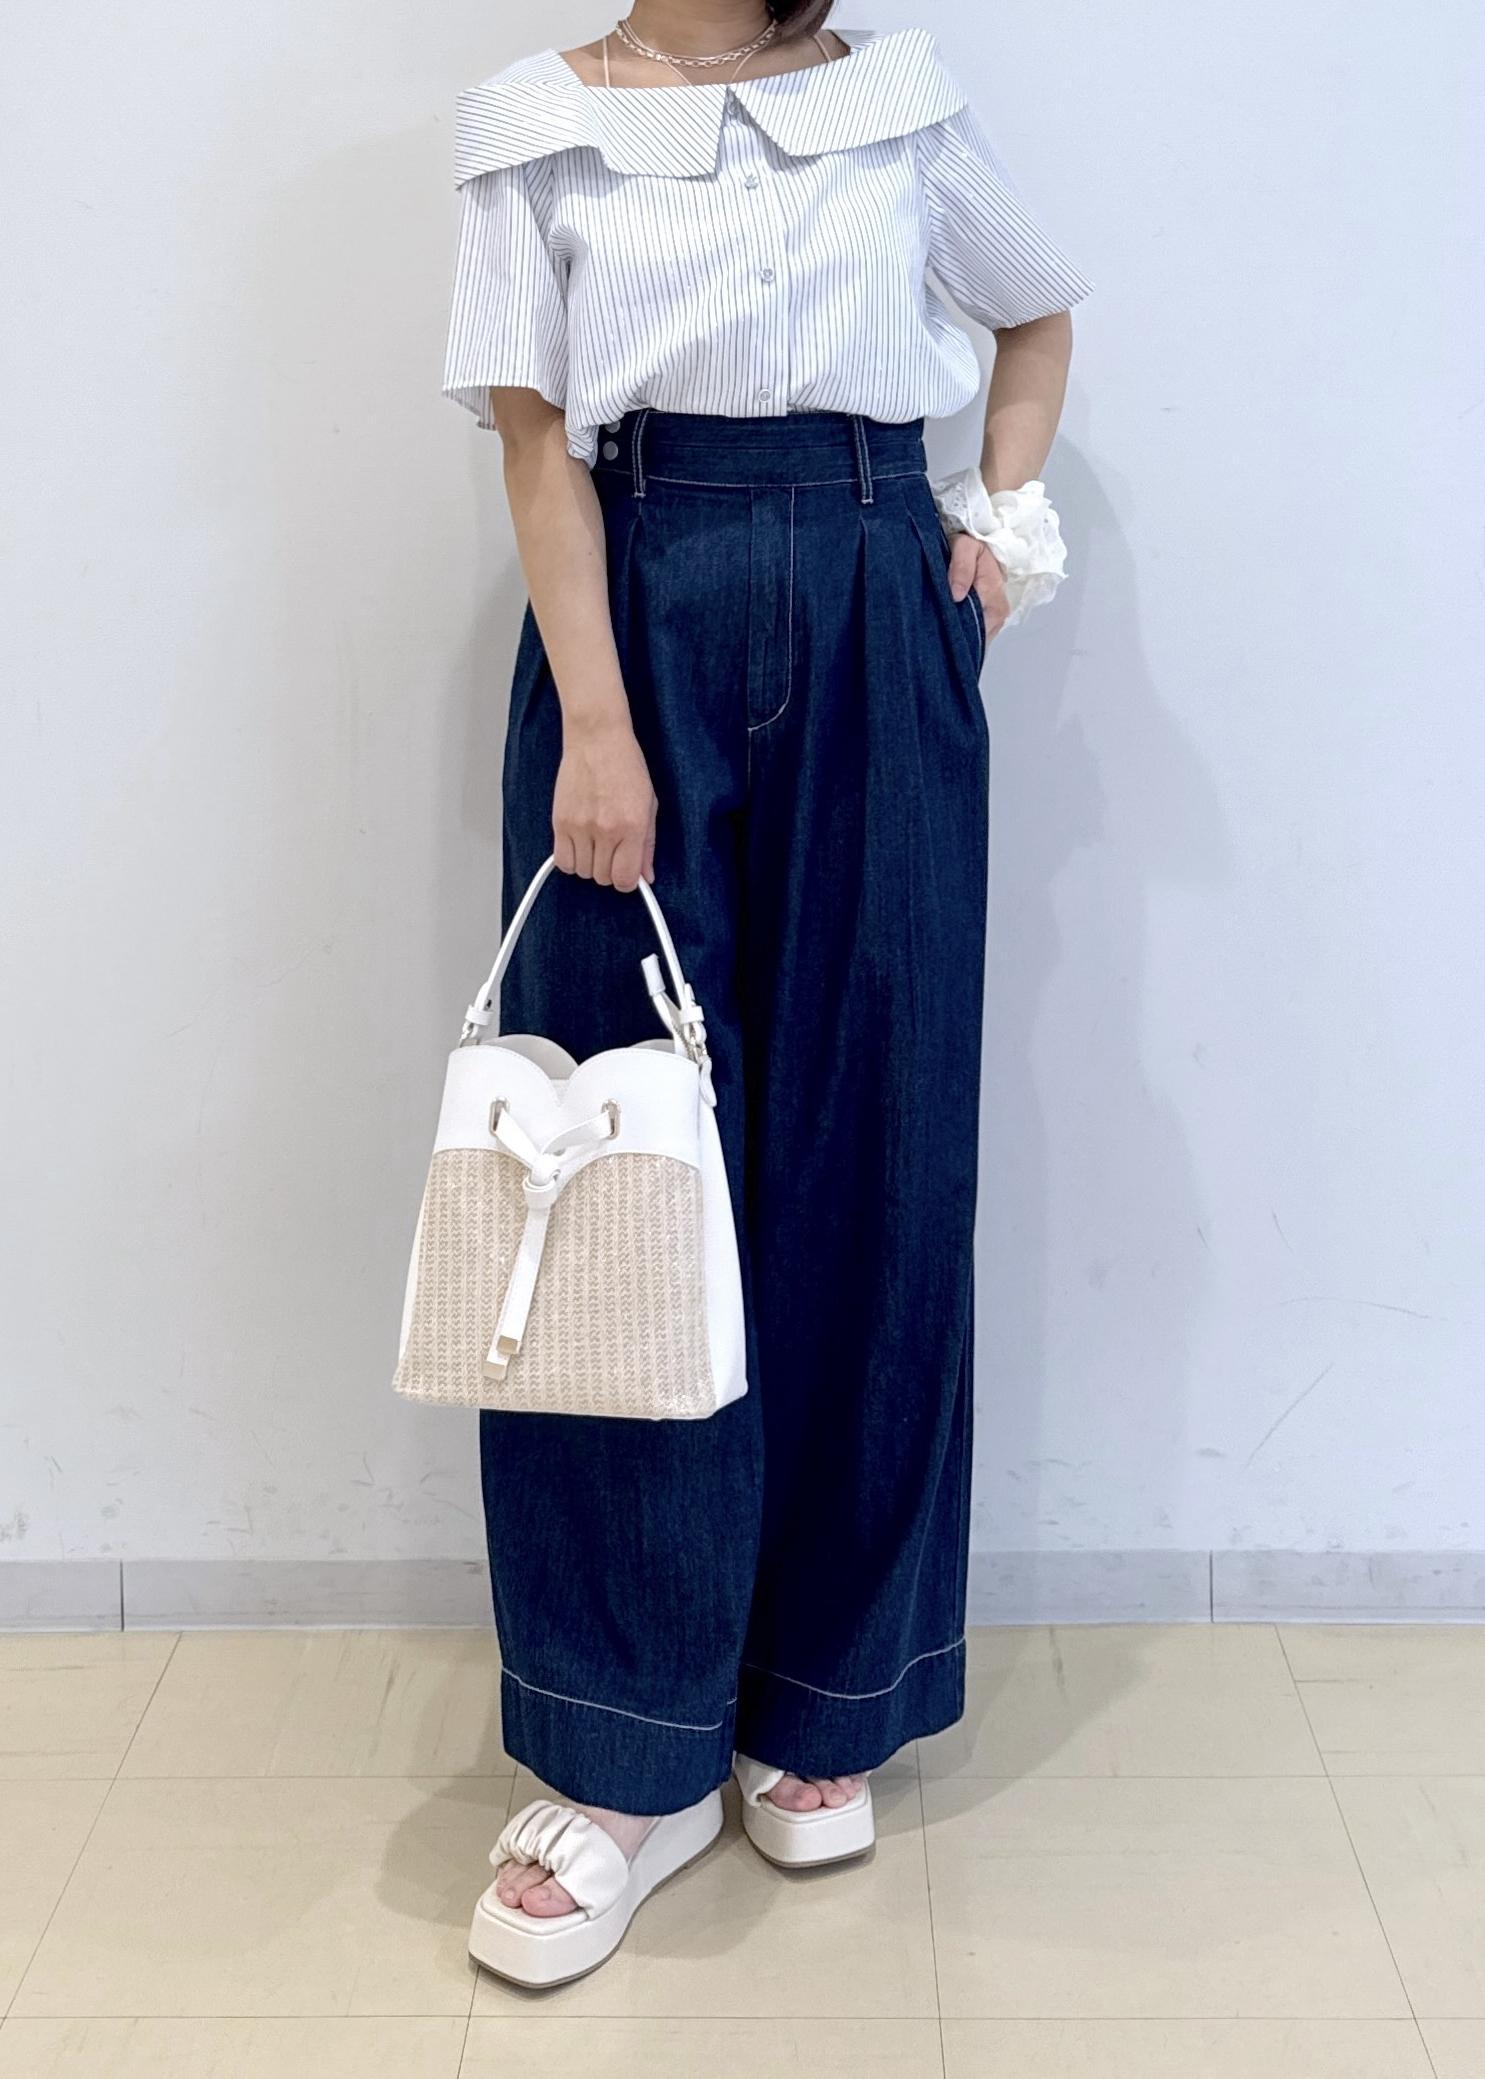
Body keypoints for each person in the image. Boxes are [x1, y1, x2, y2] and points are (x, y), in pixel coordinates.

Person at [441, 0, 1090, 1985]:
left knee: (871, 1146)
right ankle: (621, 1753)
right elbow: (536, 442)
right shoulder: (536, 124)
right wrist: (597, 723)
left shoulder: (893, 101)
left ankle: (825, 1689)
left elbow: (1035, 317)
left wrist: (993, 529)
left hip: (883, 601)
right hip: (633, 617)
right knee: (612, 1176)